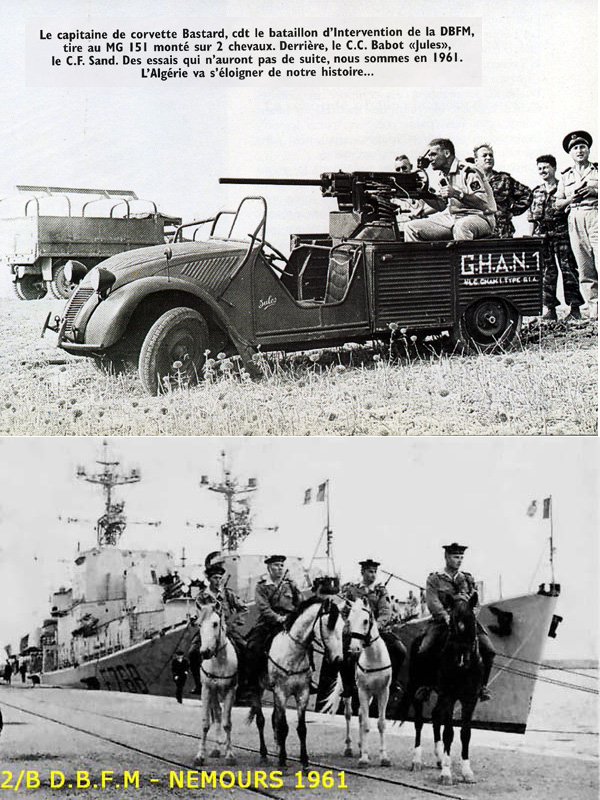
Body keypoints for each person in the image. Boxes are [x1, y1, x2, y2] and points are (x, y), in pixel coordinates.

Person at [418, 543, 496, 701]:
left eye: (461, 557)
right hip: (443, 621)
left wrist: (472, 613)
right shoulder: (435, 579)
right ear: (446, 557)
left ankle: (482, 687)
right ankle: (426, 685)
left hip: (466, 622)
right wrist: (445, 616)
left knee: (488, 650)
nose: (459, 560)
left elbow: (475, 601)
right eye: (455, 557)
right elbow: (432, 601)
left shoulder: (467, 578)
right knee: (424, 650)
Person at [404, 139, 496, 241]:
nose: (430, 159)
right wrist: (421, 194)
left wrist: (457, 194)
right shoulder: (442, 175)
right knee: (411, 227)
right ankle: (420, 257)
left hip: (481, 217)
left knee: (462, 227)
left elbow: (483, 204)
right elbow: (442, 206)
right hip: (454, 217)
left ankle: (462, 256)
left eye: (433, 154)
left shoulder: (468, 170)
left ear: (447, 153)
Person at [528, 154, 584, 321]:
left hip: (562, 235)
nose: (543, 171)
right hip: (543, 237)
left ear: (554, 168)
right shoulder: (536, 191)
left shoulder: (563, 188)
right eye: (540, 168)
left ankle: (575, 309)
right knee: (547, 273)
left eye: (546, 167)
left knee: (569, 271)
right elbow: (532, 217)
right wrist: (531, 238)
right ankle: (550, 309)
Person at [341, 558, 407, 696]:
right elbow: (345, 611)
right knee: (343, 654)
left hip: (377, 631)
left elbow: (385, 611)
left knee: (400, 650)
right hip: (356, 631)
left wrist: (376, 626)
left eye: (375, 572)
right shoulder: (352, 590)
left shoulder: (380, 591)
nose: (373, 575)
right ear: (363, 572)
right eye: (370, 571)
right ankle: (348, 686)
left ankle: (392, 682)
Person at [556, 130, 598, 320]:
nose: (579, 151)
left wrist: (594, 191)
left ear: (588, 150)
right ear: (570, 153)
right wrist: (571, 198)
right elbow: (557, 203)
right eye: (575, 148)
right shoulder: (566, 176)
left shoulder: (597, 170)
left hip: (596, 214)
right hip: (575, 217)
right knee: (584, 265)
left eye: (582, 147)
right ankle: (594, 309)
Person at [245, 555, 302, 687]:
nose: (280, 568)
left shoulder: (290, 585)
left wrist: (295, 588)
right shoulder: (262, 586)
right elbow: (263, 607)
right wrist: (278, 618)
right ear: (269, 568)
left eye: (282, 565)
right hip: (269, 623)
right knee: (253, 646)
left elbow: (300, 603)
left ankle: (307, 677)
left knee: (306, 643)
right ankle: (253, 682)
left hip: (290, 622)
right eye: (276, 565)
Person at [194, 559, 248, 679]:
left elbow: (243, 609)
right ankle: (199, 683)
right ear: (208, 579)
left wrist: (232, 624)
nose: (218, 581)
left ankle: (243, 679)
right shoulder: (202, 597)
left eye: (219, 578)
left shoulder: (228, 594)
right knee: (192, 653)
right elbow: (199, 615)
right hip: (208, 631)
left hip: (227, 629)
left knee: (244, 648)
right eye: (215, 578)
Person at [473, 143, 532, 238]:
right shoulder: (471, 181)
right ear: (476, 161)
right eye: (484, 155)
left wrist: (513, 211)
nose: (488, 158)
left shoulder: (504, 179)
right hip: (480, 232)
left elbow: (527, 194)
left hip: (502, 232)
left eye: (491, 155)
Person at [392, 155, 426, 232]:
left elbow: (438, 205)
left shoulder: (421, 186)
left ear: (411, 167)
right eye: (398, 169)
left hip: (416, 228)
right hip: (397, 228)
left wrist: (422, 213)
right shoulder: (391, 190)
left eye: (404, 168)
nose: (401, 171)